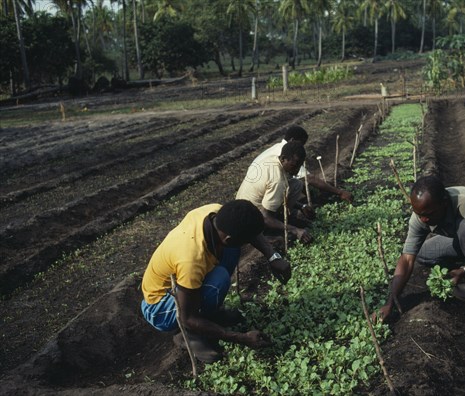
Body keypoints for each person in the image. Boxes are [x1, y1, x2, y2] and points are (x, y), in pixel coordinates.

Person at [140, 199, 291, 362]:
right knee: (218, 280)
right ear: (228, 238)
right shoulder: (190, 259)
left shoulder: (216, 213)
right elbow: (187, 316)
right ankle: (189, 335)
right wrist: (241, 338)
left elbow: (251, 232)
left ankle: (210, 314)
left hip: (184, 283)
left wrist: (273, 256)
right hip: (159, 307)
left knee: (230, 253)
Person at [376, 175, 465, 321]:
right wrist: (390, 303)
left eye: (428, 214)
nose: (424, 220)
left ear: (444, 203)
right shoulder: (421, 215)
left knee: (464, 228)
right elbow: (408, 259)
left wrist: (464, 270)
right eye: (419, 214)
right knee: (422, 253)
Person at [236, 141, 313, 244]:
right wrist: (295, 229)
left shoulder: (272, 160)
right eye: (294, 166)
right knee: (280, 236)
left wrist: (301, 206)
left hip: (242, 207)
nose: (297, 170)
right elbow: (265, 217)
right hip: (250, 219)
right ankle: (270, 230)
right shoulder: (277, 180)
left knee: (296, 184)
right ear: (283, 158)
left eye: (299, 166)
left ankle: (283, 219)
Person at [254, 125, 353, 205]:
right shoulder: (287, 153)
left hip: (256, 186)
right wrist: (340, 192)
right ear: (292, 140)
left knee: (295, 183)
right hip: (259, 196)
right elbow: (310, 178)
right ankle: (285, 214)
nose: (301, 148)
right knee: (297, 184)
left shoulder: (276, 147)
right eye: (301, 144)